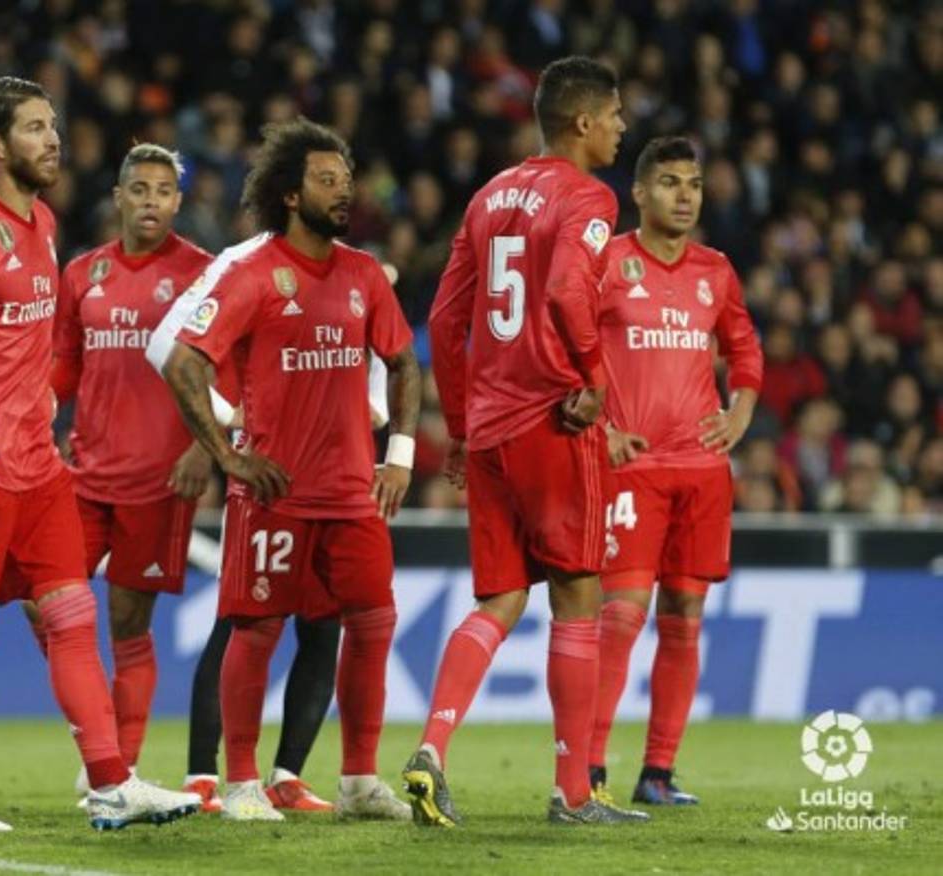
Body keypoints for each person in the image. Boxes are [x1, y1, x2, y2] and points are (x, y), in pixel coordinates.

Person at [0, 77, 197, 832]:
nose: (52, 139)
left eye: (52, 125)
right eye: (33, 128)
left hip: (41, 465)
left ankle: (111, 782)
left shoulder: (44, 222)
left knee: (70, 615)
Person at [403, 56, 648, 826]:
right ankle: (573, 794)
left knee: (501, 598)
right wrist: (594, 379)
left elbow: (445, 320)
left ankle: (432, 750)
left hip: (491, 429)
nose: (621, 128)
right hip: (552, 420)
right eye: (614, 115)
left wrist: (462, 422)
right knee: (578, 597)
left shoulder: (488, 196)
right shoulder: (589, 196)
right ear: (582, 122)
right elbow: (566, 289)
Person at [160, 118, 422, 822]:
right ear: (289, 193)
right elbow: (184, 361)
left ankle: (360, 779)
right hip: (274, 491)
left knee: (373, 621)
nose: (345, 193)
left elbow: (402, 362)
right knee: (256, 628)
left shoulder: (365, 274)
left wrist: (399, 456)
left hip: (352, 492)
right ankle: (242, 781)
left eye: (346, 179)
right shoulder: (252, 275)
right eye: (327, 181)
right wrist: (227, 456)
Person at [23, 142, 216, 819]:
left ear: (178, 202)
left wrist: (207, 447)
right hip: (83, 473)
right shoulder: (84, 273)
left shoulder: (202, 275)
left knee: (129, 622)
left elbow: (229, 365)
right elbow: (65, 365)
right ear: (119, 196)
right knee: (40, 600)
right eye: (140, 189)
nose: (151, 202)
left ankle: (119, 770)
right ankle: (102, 745)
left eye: (164, 191)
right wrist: (33, 413)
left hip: (160, 479)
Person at [589, 136, 763, 806]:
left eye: (693, 183)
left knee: (685, 615)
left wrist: (741, 413)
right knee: (622, 616)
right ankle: (590, 769)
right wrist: (599, 429)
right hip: (633, 469)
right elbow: (564, 347)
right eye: (668, 182)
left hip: (702, 471)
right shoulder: (606, 263)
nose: (685, 195)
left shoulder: (715, 270)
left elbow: (745, 350)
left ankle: (657, 773)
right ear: (638, 192)